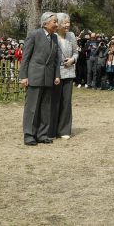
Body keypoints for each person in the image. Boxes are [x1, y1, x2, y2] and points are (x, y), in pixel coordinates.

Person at [19, 12, 61, 146]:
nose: (56, 24)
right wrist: (23, 76)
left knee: (45, 107)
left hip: (48, 76)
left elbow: (56, 59)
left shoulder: (55, 37)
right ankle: (29, 135)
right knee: (32, 107)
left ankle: (42, 134)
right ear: (45, 23)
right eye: (54, 21)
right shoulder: (34, 34)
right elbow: (25, 57)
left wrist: (57, 75)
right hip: (34, 76)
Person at [49, 13, 78, 139]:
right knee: (54, 102)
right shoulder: (52, 36)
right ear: (58, 24)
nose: (67, 25)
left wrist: (72, 59)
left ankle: (64, 130)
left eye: (68, 22)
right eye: (65, 23)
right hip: (56, 73)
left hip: (69, 72)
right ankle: (52, 130)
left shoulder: (71, 36)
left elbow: (76, 53)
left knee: (66, 102)